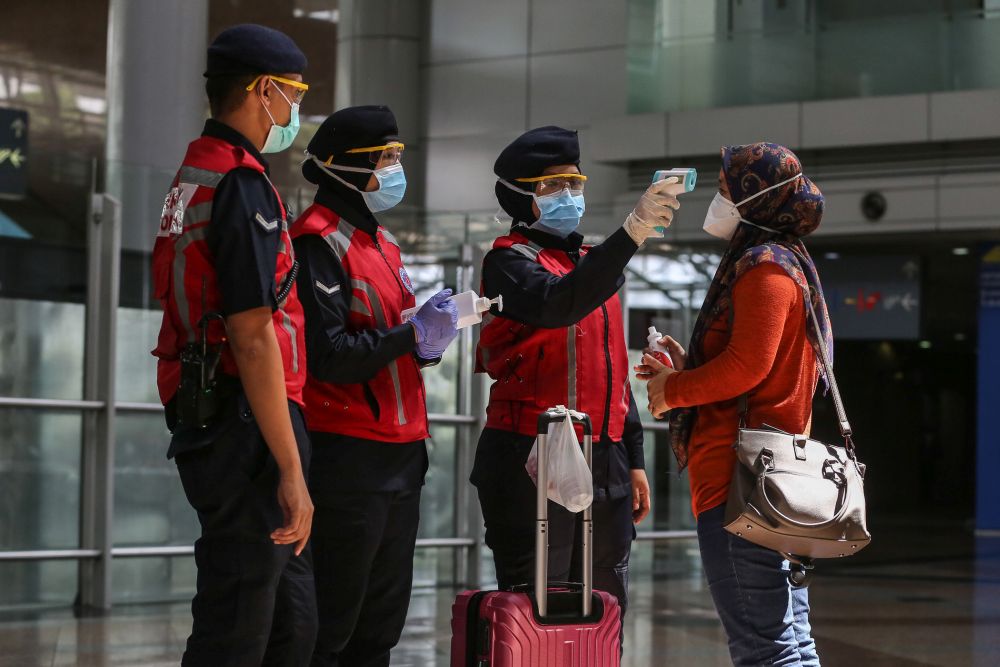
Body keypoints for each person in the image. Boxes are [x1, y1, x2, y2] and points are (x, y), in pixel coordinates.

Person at [150, 24, 317, 666]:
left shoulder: (195, 173)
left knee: (286, 617)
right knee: (241, 617)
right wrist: (292, 468)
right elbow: (252, 335)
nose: (294, 110)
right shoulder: (239, 184)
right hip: (244, 419)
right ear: (265, 89)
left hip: (217, 407)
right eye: (294, 94)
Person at [471, 126, 679, 640]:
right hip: (531, 453)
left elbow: (612, 372)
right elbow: (556, 302)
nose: (569, 195)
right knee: (539, 607)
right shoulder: (508, 264)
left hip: (603, 453)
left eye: (575, 182)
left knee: (606, 604)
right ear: (519, 195)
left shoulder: (593, 266)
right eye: (551, 186)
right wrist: (631, 230)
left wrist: (633, 460)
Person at [637, 142, 830, 666]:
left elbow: (748, 368)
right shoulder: (787, 263)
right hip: (773, 480)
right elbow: (753, 364)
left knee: (765, 648)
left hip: (742, 484)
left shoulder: (764, 268)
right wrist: (687, 365)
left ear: (756, 198)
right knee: (788, 641)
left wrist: (672, 390)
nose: (719, 201)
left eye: (725, 191)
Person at [290, 105, 459, 667]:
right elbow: (330, 356)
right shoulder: (317, 242)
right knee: (335, 623)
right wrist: (410, 335)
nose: (394, 169)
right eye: (385, 158)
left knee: (382, 624)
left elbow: (393, 341)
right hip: (349, 455)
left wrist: (427, 343)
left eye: (396, 157)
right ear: (348, 168)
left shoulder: (382, 243)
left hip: (403, 452)